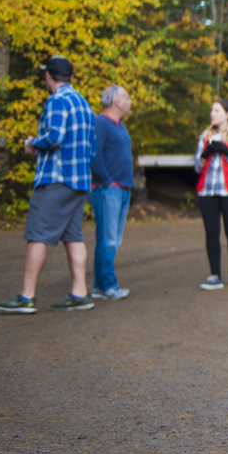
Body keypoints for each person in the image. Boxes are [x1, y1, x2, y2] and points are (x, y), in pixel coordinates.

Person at [0, 56, 97, 313]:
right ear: (71, 77)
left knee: (37, 234)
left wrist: (32, 143)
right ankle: (79, 293)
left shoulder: (57, 101)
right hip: (80, 181)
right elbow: (92, 147)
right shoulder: (85, 104)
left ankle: (26, 298)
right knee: (73, 236)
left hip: (56, 179)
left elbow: (54, 137)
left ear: (48, 76)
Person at [194, 97, 228, 290]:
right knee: (211, 233)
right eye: (211, 110)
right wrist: (205, 153)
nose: (212, 114)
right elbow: (197, 168)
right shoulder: (204, 137)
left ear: (227, 114)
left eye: (216, 110)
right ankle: (215, 275)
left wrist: (226, 151)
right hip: (208, 191)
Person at [90, 85, 134, 300]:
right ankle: (109, 286)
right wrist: (107, 182)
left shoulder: (121, 127)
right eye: (127, 98)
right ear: (116, 102)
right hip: (109, 190)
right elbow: (94, 155)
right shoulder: (101, 123)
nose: (130, 101)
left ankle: (99, 286)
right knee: (108, 239)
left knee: (111, 239)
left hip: (122, 189)